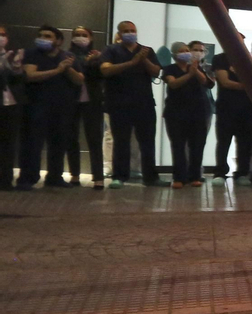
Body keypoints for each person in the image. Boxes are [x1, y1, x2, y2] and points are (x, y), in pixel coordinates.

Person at [100, 20, 163, 188]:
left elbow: (156, 72)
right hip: (119, 104)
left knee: (148, 142)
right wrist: (132, 63)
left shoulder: (146, 51)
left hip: (144, 104)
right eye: (126, 31)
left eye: (133, 30)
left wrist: (143, 60)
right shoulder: (111, 50)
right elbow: (106, 70)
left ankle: (151, 177)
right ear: (119, 34)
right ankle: (119, 176)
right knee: (121, 141)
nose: (130, 33)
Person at [19, 25, 82, 188]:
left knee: (58, 144)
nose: (43, 38)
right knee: (33, 144)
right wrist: (57, 70)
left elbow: (79, 80)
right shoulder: (31, 54)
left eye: (48, 36)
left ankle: (55, 177)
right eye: (41, 35)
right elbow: (30, 75)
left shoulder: (68, 56)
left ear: (59, 41)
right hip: (36, 106)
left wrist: (67, 68)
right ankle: (27, 178)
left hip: (62, 108)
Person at [161, 41, 212, 188]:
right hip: (175, 114)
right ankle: (179, 178)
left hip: (198, 113)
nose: (186, 53)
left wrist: (194, 70)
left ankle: (195, 176)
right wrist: (190, 74)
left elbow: (206, 82)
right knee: (178, 146)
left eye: (186, 50)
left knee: (197, 146)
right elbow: (173, 84)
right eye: (182, 51)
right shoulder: (170, 69)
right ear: (175, 54)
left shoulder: (197, 68)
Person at [212, 33, 252, 180]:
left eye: (241, 41)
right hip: (226, 108)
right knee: (224, 142)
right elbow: (225, 82)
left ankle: (242, 172)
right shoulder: (220, 59)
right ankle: (220, 172)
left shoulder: (249, 60)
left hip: (247, 109)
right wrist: (246, 85)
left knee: (245, 143)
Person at [65, 26, 105, 189]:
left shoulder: (97, 56)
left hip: (92, 101)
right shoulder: (66, 55)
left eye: (84, 35)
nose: (80, 37)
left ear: (91, 37)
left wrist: (92, 62)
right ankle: (74, 175)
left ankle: (98, 177)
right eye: (77, 35)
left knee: (94, 139)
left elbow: (101, 76)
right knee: (71, 138)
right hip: (71, 101)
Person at [0, 25, 23, 190]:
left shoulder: (12, 55)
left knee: (8, 144)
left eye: (2, 34)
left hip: (10, 105)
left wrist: (15, 69)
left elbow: (19, 80)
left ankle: (6, 180)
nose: (1, 37)